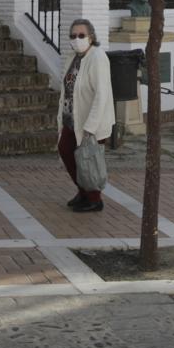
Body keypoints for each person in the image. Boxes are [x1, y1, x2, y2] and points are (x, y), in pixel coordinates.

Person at [58, 19, 115, 213]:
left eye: (81, 35)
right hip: (72, 118)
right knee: (66, 151)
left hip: (89, 122)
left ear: (91, 37)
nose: (77, 39)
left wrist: (90, 127)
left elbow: (102, 94)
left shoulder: (97, 57)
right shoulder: (72, 57)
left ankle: (94, 199)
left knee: (88, 160)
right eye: (73, 35)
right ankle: (83, 190)